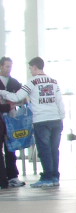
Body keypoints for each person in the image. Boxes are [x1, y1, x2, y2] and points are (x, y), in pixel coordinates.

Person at [0, 58, 65, 187]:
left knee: (44, 150)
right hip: (56, 120)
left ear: (35, 67)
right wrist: (61, 117)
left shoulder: (32, 82)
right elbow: (60, 101)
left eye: (30, 68)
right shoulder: (53, 81)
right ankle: (55, 177)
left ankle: (47, 177)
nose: (30, 71)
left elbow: (17, 96)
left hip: (41, 120)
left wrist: (2, 92)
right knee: (54, 149)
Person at [0, 56, 25, 188]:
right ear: (1, 66)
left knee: (11, 148)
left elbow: (23, 98)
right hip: (1, 120)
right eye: (7, 66)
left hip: (11, 120)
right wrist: (8, 106)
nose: (9, 69)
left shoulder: (14, 82)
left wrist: (14, 103)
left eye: (10, 66)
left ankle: (12, 176)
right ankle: (2, 178)